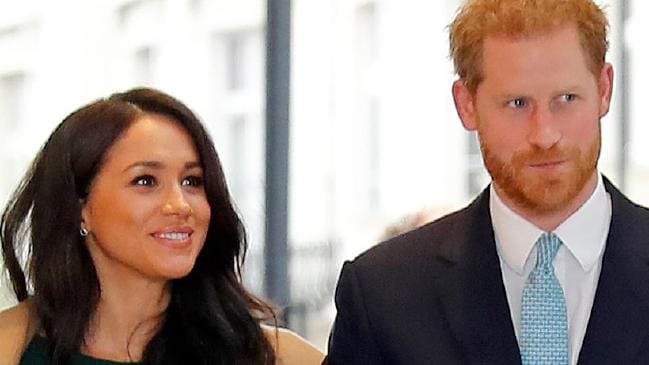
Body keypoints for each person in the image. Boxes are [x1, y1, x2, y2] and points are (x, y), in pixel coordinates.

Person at [326, 0, 649, 364]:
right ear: (466, 105)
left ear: (604, 89)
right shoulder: (384, 295)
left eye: (566, 99)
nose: (544, 134)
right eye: (517, 104)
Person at [0, 87, 324, 365]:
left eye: (192, 181)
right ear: (78, 207)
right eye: (146, 181)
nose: (180, 205)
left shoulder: (278, 357)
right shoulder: (11, 347)